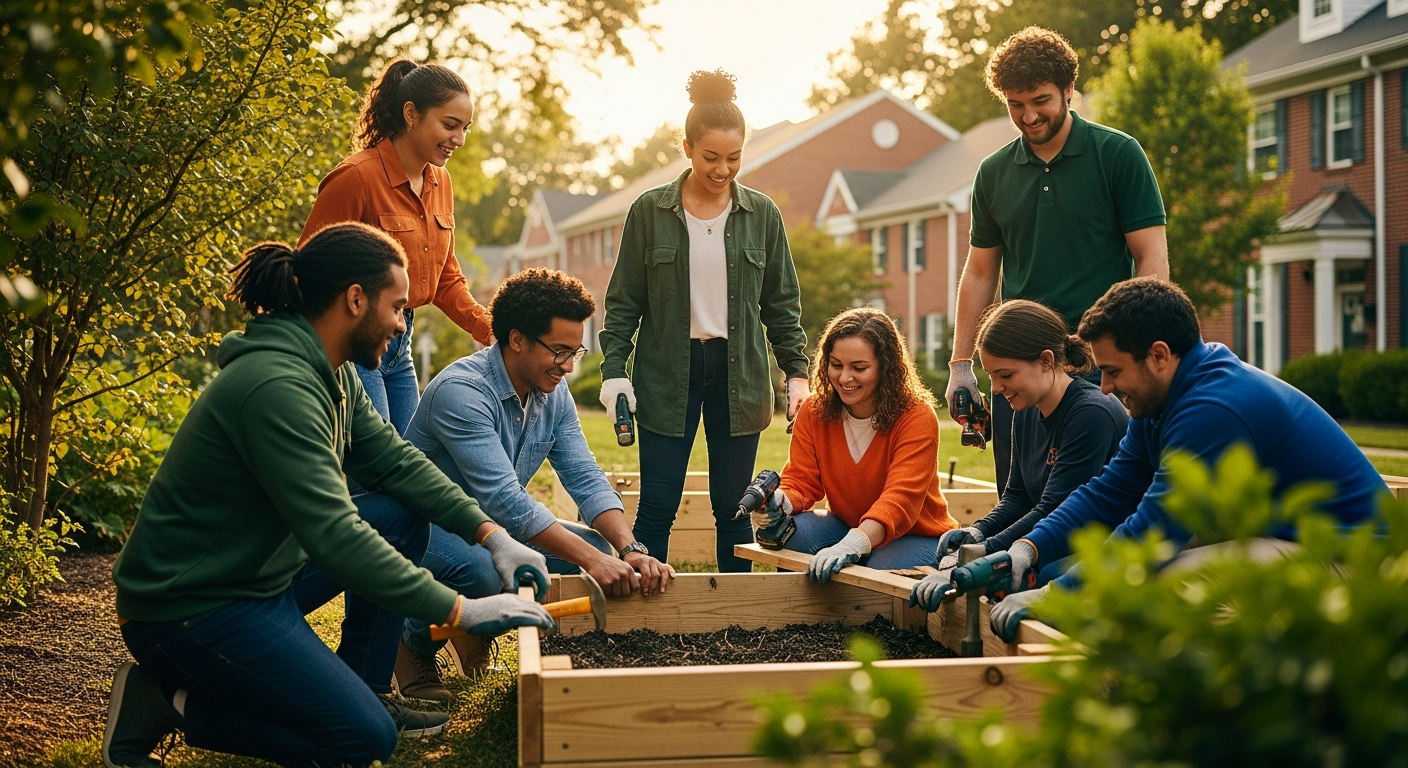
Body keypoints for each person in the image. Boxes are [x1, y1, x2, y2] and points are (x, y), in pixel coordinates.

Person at [104, 223, 554, 768]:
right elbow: (335, 535)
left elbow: (395, 462)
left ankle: (367, 688)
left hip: (255, 582)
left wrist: (493, 535)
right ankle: (166, 702)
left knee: (400, 514)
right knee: (362, 741)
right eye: (396, 307)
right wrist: (460, 609)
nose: (402, 322)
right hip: (188, 609)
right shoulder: (277, 388)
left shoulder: (333, 375)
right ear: (355, 299)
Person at [939, 278, 1388, 640]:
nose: (1106, 387)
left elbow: (1157, 527)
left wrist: (1058, 593)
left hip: (1357, 562)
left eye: (1113, 371)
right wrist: (1028, 549)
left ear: (1158, 355)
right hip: (1285, 536)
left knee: (1167, 585)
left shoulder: (1213, 407)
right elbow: (1109, 492)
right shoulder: (1162, 400)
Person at [393, 267, 677, 701]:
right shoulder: (462, 391)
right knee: (482, 569)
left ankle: (473, 628)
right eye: (559, 351)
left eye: (575, 352)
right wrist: (593, 561)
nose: (568, 366)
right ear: (516, 339)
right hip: (421, 527)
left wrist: (629, 549)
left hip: (490, 526)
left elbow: (584, 475)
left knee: (595, 551)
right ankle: (411, 642)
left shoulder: (553, 392)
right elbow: (505, 500)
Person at [943, 26, 1169, 498]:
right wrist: (961, 364)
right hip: (1019, 364)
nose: (1028, 116)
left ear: (1069, 89)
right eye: (1015, 104)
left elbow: (1150, 257)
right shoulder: (993, 172)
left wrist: (1140, 348)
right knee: (1019, 499)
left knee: (1105, 500)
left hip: (1100, 361)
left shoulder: (1117, 154)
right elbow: (980, 272)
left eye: (1040, 101)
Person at [599, 69, 809, 572]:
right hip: (666, 373)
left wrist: (797, 374)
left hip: (740, 375)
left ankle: (731, 611)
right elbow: (624, 302)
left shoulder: (763, 214)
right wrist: (613, 372)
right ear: (687, 147)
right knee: (657, 508)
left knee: (734, 510)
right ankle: (646, 606)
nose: (722, 169)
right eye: (711, 157)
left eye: (734, 157)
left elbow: (781, 305)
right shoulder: (649, 211)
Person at [300, 58, 492, 435]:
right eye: (449, 125)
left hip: (399, 343)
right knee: (378, 458)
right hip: (353, 343)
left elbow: (444, 279)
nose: (459, 139)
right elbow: (306, 270)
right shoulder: (356, 178)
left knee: (411, 455)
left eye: (465, 128)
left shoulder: (441, 183)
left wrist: (491, 328)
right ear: (411, 114)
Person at [910, 299, 1127, 609]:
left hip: (1108, 548)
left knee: (1038, 576)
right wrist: (977, 532)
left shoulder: (1091, 415)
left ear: (1046, 361)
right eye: (990, 376)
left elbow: (1054, 508)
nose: (996, 388)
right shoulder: (1025, 408)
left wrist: (982, 553)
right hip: (1051, 538)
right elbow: (1017, 497)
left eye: (1006, 375)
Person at [749, 308, 957, 582]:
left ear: (886, 367)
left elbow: (900, 499)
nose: (845, 378)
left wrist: (853, 545)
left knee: (875, 576)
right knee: (790, 536)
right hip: (846, 525)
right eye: (836, 365)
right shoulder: (814, 411)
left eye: (859, 368)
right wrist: (779, 503)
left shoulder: (916, 416)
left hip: (915, 534)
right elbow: (801, 480)